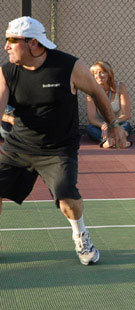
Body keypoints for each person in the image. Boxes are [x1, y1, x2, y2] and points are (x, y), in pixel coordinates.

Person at [0, 16, 127, 265]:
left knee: (66, 195)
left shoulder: (69, 67)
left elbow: (97, 92)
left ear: (33, 44)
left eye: (12, 40)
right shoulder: (7, 71)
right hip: (20, 147)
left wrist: (113, 125)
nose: (6, 46)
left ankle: (81, 236)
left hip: (58, 149)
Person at [85, 61, 132, 148]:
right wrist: (103, 125)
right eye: (95, 73)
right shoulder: (91, 91)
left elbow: (126, 114)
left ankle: (108, 141)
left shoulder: (120, 87)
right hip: (102, 127)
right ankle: (118, 141)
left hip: (118, 123)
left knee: (126, 125)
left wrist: (113, 124)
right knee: (89, 128)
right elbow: (91, 119)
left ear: (109, 74)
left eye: (102, 72)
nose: (98, 76)